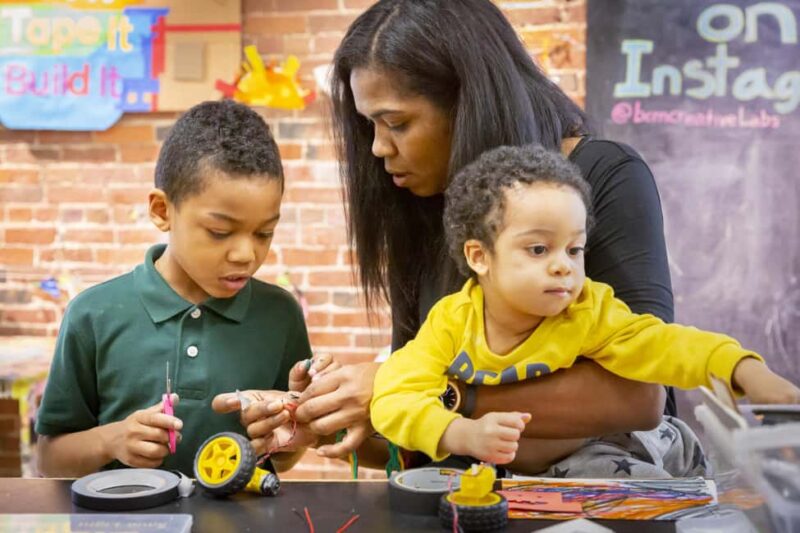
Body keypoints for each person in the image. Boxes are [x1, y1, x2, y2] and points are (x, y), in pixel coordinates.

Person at [292, 0, 674, 471]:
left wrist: (427, 388)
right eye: (369, 125)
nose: (376, 147)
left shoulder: (605, 175)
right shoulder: (421, 203)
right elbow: (422, 439)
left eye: (397, 123)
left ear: (470, 102)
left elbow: (641, 394)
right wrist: (324, 419)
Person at [371, 144, 800, 477]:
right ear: (480, 257)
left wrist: (745, 370)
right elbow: (392, 397)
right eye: (538, 248)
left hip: (600, 453)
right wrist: (460, 433)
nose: (563, 265)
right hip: (504, 472)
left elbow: (666, 344)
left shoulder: (585, 309)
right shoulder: (452, 323)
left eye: (574, 249)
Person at [35, 100, 322, 477]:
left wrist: (284, 438)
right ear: (161, 211)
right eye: (220, 232)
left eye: (264, 233)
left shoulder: (279, 315)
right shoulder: (93, 314)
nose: (245, 254)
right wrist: (112, 440)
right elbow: (49, 460)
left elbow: (284, 450)